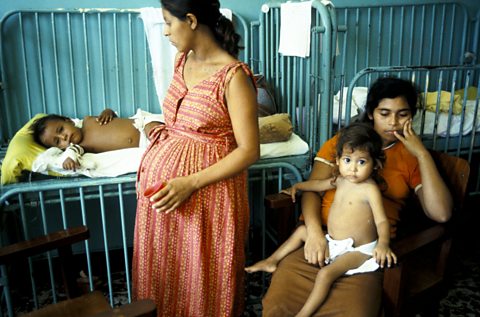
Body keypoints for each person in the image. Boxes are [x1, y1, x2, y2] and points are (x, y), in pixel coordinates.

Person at [262, 77, 452, 316]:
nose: (393, 122)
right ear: (371, 113)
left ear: (412, 115)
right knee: (279, 306)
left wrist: (422, 154)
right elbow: (312, 189)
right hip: (322, 241)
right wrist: (313, 233)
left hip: (365, 254)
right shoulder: (344, 143)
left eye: (402, 114)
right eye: (384, 113)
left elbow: (442, 213)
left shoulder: (410, 156)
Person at [131, 1, 259, 316]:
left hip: (208, 195)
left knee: (202, 277)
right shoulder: (181, 59)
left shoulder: (234, 76)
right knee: (166, 270)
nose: (164, 32)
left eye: (168, 23)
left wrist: (190, 183)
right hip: (168, 195)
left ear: (190, 20)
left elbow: (249, 150)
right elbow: (182, 123)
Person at [247, 122, 397, 316]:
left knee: (326, 274)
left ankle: (304, 314)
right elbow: (317, 185)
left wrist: (383, 244)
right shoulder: (340, 181)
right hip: (335, 243)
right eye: (347, 160)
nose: (353, 168)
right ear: (338, 160)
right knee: (302, 231)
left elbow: (382, 222)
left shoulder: (370, 189)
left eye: (362, 162)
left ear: (375, 164)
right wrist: (298, 187)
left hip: (358, 250)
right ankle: (272, 260)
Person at [30, 108, 162, 170]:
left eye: (61, 130)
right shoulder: (81, 145)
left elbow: (113, 118)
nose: (64, 137)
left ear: (69, 121)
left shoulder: (88, 120)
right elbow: (73, 151)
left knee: (154, 126)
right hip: (144, 143)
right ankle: (171, 143)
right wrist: (69, 158)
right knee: (161, 142)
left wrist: (108, 112)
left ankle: (173, 136)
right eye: (58, 141)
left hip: (142, 124)